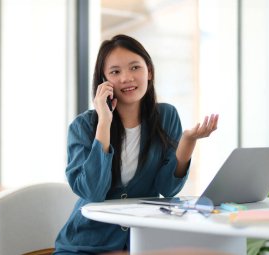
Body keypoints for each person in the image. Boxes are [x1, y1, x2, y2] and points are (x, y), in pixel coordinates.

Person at [54, 34, 219, 254]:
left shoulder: (166, 116)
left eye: (134, 68)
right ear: (104, 80)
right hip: (86, 245)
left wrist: (187, 142)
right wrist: (104, 121)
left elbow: (168, 189)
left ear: (149, 71)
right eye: (115, 72)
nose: (126, 78)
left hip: (141, 242)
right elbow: (93, 192)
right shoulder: (82, 126)